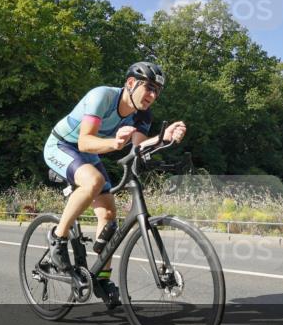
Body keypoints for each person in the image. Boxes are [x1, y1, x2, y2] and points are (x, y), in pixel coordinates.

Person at [44, 61, 186, 309]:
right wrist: (114, 143)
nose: (153, 95)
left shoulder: (143, 114)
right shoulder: (102, 96)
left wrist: (163, 138)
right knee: (94, 180)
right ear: (131, 83)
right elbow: (86, 142)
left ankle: (102, 279)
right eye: (149, 87)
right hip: (62, 145)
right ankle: (57, 238)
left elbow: (137, 149)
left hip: (88, 155)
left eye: (157, 91)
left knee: (109, 214)